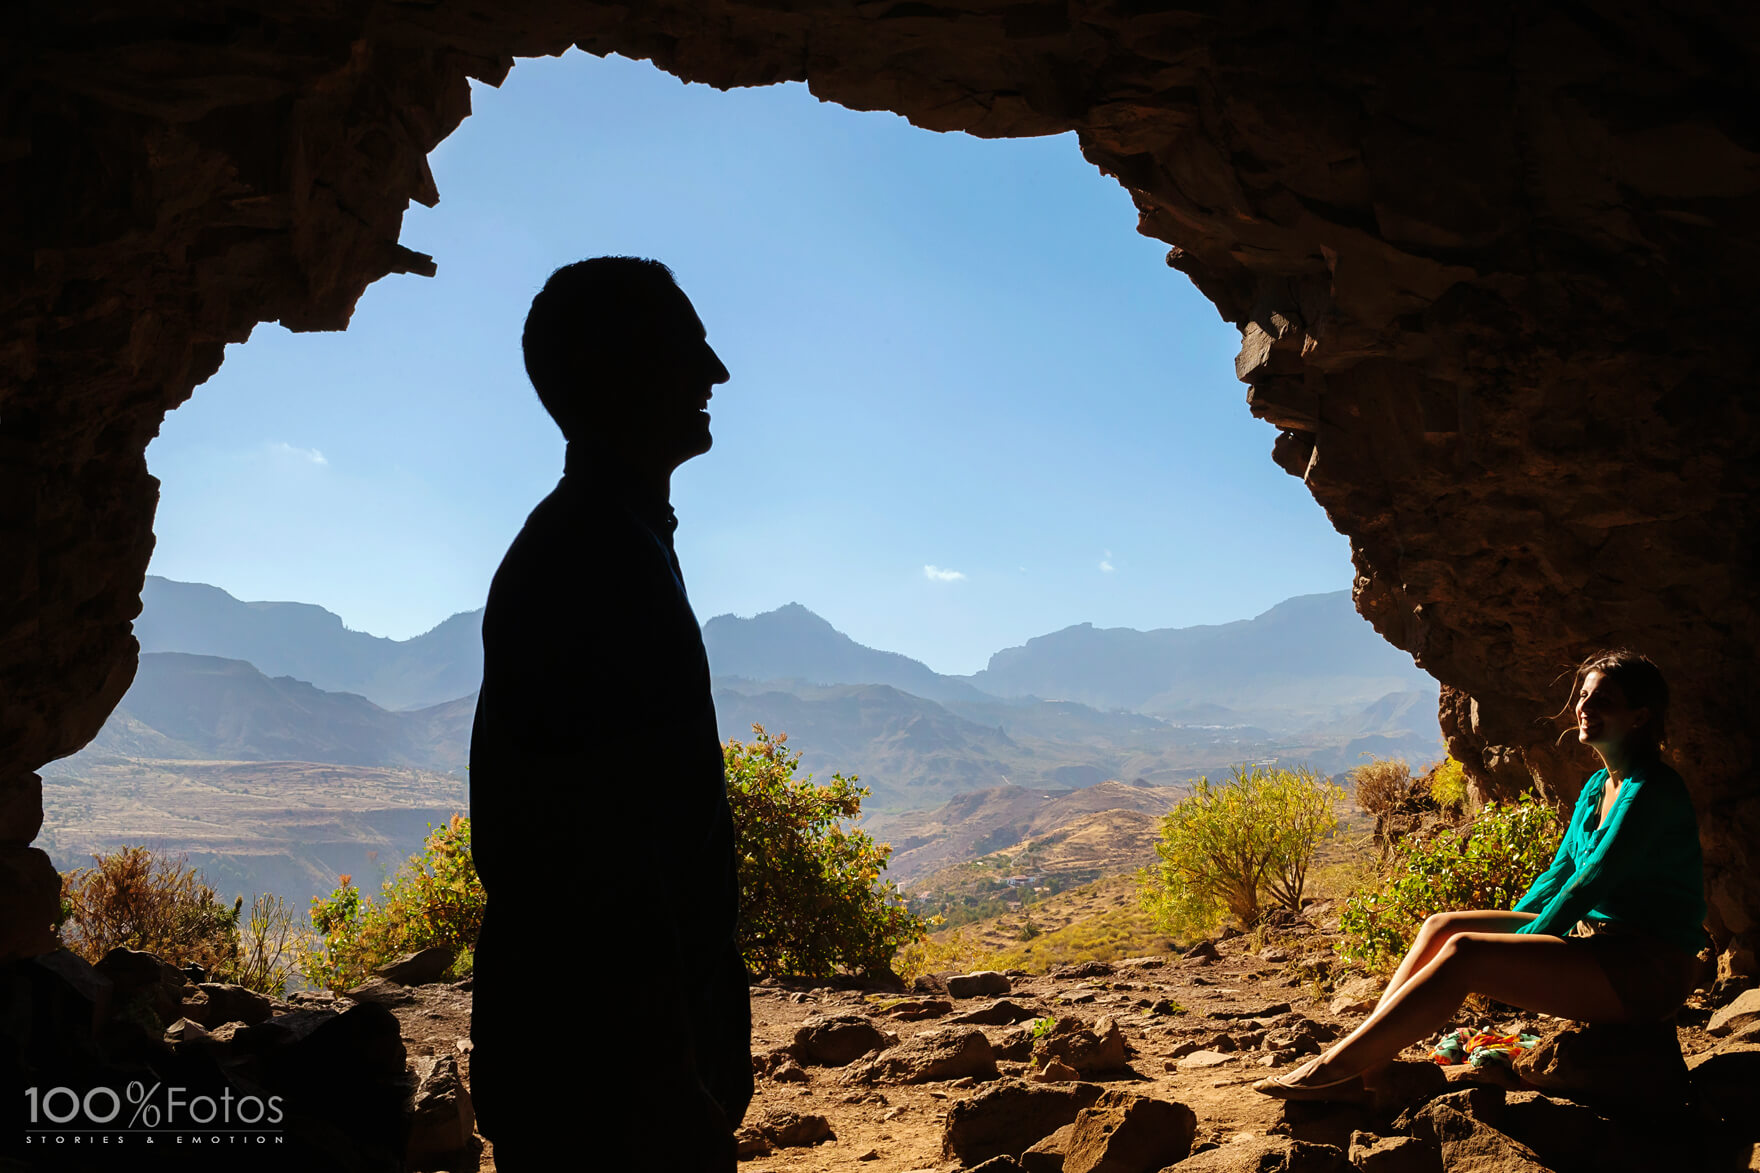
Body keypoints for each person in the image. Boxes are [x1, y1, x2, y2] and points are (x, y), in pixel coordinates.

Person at [468, 257, 752, 1165]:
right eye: (686, 348)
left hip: (598, 1078)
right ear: (616, 370)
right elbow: (590, 863)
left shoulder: (602, 542)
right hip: (607, 1094)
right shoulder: (594, 562)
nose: (716, 373)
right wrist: (667, 1083)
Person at [1256, 648, 1707, 1100]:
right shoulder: (1597, 787)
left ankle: (1334, 1069)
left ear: (1640, 716)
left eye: (1602, 701)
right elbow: (1561, 872)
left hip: (1648, 970)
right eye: (1584, 697)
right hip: (1604, 945)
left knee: (1466, 953)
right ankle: (1368, 1067)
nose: (1584, 709)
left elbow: (1592, 881)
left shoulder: (1651, 790)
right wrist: (1517, 933)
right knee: (1443, 926)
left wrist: (1519, 948)